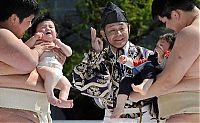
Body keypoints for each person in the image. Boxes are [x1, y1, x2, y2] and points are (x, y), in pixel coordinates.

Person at [73, 2, 157, 123]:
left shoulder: (147, 55)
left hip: (145, 116)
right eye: (112, 30)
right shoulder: (99, 57)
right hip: (112, 117)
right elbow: (79, 82)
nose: (118, 34)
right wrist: (95, 53)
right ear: (103, 34)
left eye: (122, 28)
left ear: (129, 28)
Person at [129, 0, 200, 122]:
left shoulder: (191, 32)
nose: (167, 27)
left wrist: (134, 96)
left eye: (165, 22)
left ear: (175, 14)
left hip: (187, 115)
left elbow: (168, 81)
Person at [0, 0, 63, 122]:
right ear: (14, 18)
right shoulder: (3, 34)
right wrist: (39, 49)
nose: (30, 26)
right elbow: (28, 62)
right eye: (29, 21)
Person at [111, 33, 175, 118]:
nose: (158, 46)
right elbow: (136, 63)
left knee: (149, 67)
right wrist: (126, 60)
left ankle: (143, 87)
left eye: (161, 45)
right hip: (142, 78)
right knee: (126, 80)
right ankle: (119, 106)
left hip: (154, 80)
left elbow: (165, 63)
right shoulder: (152, 57)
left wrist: (164, 54)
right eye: (157, 44)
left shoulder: (169, 58)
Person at [25, 14, 73, 108]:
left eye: (51, 27)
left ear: (56, 33)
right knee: (51, 74)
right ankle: (50, 96)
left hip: (58, 72)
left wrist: (60, 43)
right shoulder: (37, 44)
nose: (48, 29)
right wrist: (34, 38)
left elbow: (69, 53)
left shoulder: (57, 45)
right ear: (35, 33)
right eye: (43, 27)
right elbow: (24, 48)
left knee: (66, 84)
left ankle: (62, 100)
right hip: (43, 68)